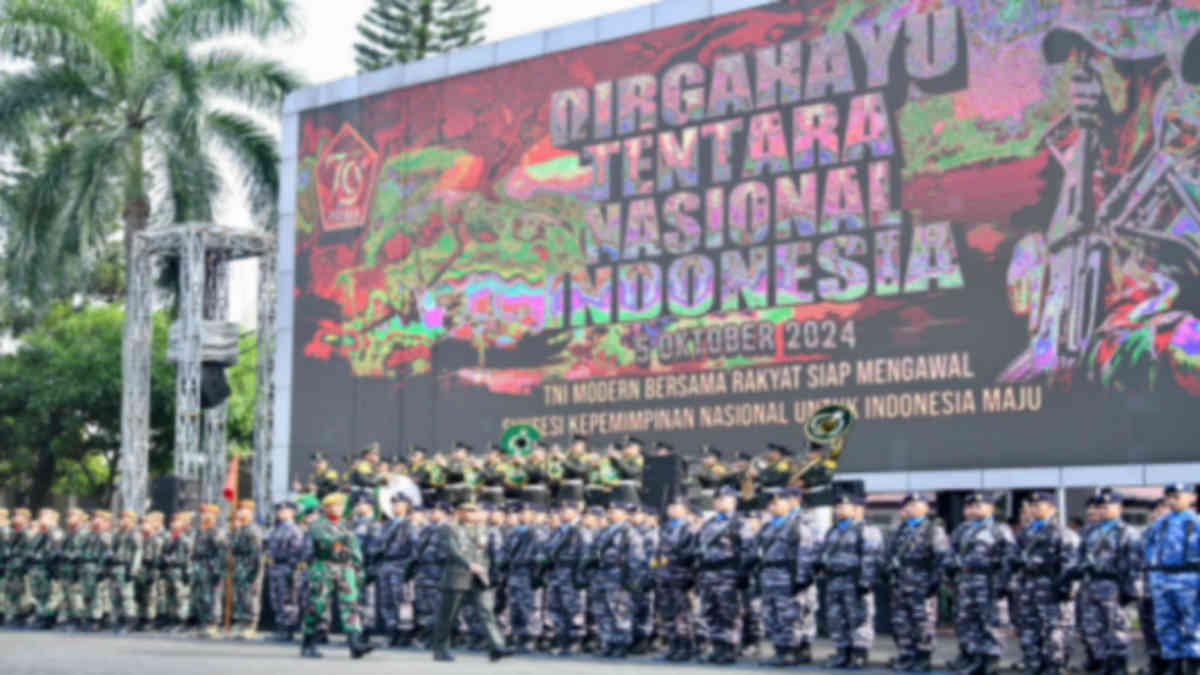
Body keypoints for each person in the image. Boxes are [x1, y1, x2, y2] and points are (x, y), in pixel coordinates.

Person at [1066, 488, 1140, 675]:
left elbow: (1134, 562)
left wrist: (1130, 588)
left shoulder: (1127, 532)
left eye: (1108, 506)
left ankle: (1118, 664)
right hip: (1090, 585)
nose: (1103, 510)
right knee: (1092, 628)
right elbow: (1078, 557)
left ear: (1119, 508)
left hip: (1113, 586)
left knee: (1115, 627)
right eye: (1100, 507)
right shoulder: (1088, 531)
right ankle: (1101, 661)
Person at [430, 500, 513, 662]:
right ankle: (440, 649)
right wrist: (468, 564)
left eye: (475, 511)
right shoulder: (448, 528)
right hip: (457, 575)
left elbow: (488, 552)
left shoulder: (483, 529)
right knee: (448, 616)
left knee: (486, 610)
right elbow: (452, 550)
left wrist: (491, 571)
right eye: (469, 511)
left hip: (479, 576)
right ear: (460, 512)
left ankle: (497, 646)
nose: (473, 514)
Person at [944, 492, 1015, 675]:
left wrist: (1004, 583)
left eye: (978, 505)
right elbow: (949, 553)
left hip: (988, 581)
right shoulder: (961, 530)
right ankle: (974, 656)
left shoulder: (999, 530)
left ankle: (991, 659)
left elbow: (1009, 558)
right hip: (965, 581)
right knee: (967, 620)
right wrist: (950, 570)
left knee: (991, 621)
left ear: (991, 508)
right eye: (968, 506)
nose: (972, 510)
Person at [299, 492, 375, 659]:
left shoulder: (346, 524)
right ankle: (308, 641)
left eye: (341, 505)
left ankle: (355, 644)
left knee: (351, 606)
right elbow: (326, 541)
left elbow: (355, 550)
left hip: (345, 568)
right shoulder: (317, 524)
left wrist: (359, 570)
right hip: (324, 566)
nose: (339, 509)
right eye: (334, 505)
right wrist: (344, 537)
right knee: (317, 606)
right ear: (326, 508)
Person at [883, 492, 949, 673]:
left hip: (922, 583)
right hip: (900, 582)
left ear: (926, 508)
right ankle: (906, 654)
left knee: (923, 622)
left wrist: (936, 581)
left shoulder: (933, 529)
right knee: (901, 622)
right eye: (908, 504)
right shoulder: (898, 530)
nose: (911, 507)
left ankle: (923, 656)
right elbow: (888, 555)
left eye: (916, 504)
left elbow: (942, 557)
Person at [1014, 492, 1079, 675]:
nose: (1034, 508)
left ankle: (1054, 665)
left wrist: (1067, 588)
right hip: (1028, 586)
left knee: (1054, 629)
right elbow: (1014, 557)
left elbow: (1071, 563)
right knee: (1028, 628)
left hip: (1051, 586)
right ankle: (1033, 664)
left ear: (1052, 508)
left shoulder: (1062, 532)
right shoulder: (1025, 532)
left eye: (1039, 505)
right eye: (1032, 505)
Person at [755, 487, 819, 666]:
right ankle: (779, 649)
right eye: (771, 503)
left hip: (786, 576)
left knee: (789, 616)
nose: (772, 506)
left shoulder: (796, 525)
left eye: (777, 503)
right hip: (769, 576)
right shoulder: (767, 526)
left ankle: (790, 651)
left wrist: (801, 578)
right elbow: (758, 552)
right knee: (770, 614)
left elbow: (804, 553)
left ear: (788, 504)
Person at [818, 493, 882, 670]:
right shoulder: (833, 530)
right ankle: (842, 652)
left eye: (843, 507)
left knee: (859, 618)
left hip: (854, 580)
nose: (839, 510)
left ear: (855, 509)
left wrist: (866, 581)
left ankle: (859, 654)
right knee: (836, 618)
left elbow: (871, 557)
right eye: (837, 507)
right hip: (834, 580)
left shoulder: (865, 529)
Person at [1143, 482, 1200, 674]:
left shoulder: (1196, 523)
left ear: (1192, 497)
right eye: (1169, 496)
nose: (1172, 500)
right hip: (1163, 581)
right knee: (1165, 624)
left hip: (1189, 581)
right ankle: (1173, 663)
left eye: (1178, 495)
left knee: (1192, 625)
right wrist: (1155, 574)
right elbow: (1148, 546)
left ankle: (1193, 664)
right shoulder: (1161, 522)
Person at [696, 485, 752, 664]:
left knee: (729, 613)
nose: (719, 502)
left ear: (734, 501)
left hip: (728, 573)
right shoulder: (710, 522)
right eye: (717, 499)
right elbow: (700, 547)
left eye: (723, 499)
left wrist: (743, 573)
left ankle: (729, 648)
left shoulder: (739, 522)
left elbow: (748, 550)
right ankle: (717, 646)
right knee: (711, 612)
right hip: (709, 573)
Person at [541, 499, 590, 655]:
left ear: (576, 512)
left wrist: (580, 576)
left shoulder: (581, 531)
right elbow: (548, 550)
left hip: (572, 573)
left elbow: (585, 554)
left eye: (567, 510)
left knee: (574, 608)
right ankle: (561, 638)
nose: (562, 513)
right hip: (556, 573)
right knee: (556, 607)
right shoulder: (557, 531)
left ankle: (575, 639)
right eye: (561, 510)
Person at [375, 493, 417, 646]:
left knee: (403, 600)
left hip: (401, 564)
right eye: (393, 504)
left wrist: (409, 567)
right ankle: (391, 631)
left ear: (406, 506)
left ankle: (405, 633)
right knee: (387, 600)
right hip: (386, 565)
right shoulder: (387, 524)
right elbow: (378, 544)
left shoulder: (410, 525)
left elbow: (415, 548)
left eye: (398, 504)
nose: (395, 507)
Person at [502, 501, 544, 652]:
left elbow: (540, 555)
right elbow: (505, 552)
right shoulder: (513, 532)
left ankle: (530, 637)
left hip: (528, 573)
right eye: (519, 513)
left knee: (529, 606)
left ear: (533, 515)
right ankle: (517, 635)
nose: (521, 515)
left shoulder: (537, 533)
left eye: (525, 513)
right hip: (514, 573)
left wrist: (537, 574)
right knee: (514, 606)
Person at [1139, 497, 1170, 675]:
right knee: (1149, 628)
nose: (1156, 513)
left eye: (1161, 509)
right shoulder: (1147, 533)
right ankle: (1155, 663)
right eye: (1155, 510)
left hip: (1169, 590)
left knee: (1169, 628)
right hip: (1148, 588)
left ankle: (1172, 664)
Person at [266, 500, 305, 642]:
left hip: (287, 567)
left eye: (284, 510)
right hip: (275, 567)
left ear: (292, 512)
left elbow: (297, 551)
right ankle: (280, 626)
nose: (280, 513)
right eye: (278, 510)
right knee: (276, 598)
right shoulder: (275, 528)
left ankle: (288, 628)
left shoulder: (294, 530)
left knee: (288, 598)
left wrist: (292, 569)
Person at [412, 502, 449, 646]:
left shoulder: (447, 530)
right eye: (431, 510)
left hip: (438, 572)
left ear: (444, 513)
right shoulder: (426, 529)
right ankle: (427, 635)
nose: (432, 513)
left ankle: (438, 637)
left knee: (437, 605)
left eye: (436, 511)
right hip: (423, 572)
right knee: (423, 605)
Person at [191, 503, 227, 639]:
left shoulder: (216, 532)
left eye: (207, 513)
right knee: (200, 596)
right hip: (199, 566)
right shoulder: (200, 531)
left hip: (211, 566)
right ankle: (203, 623)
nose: (204, 516)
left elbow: (221, 552)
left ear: (214, 516)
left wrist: (217, 570)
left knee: (212, 596)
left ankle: (212, 624)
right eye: (203, 513)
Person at [230, 499, 264, 639]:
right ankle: (242, 622)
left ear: (250, 513)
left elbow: (257, 554)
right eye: (239, 510)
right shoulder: (240, 529)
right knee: (240, 597)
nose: (239, 512)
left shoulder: (253, 530)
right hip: (240, 568)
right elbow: (233, 547)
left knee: (251, 597)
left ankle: (251, 624)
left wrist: (254, 573)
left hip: (250, 568)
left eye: (243, 510)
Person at [108, 510, 143, 634]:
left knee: (127, 595)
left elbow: (138, 552)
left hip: (126, 567)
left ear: (132, 520)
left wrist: (134, 569)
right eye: (122, 518)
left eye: (126, 518)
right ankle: (118, 620)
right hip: (116, 567)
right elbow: (112, 548)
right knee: (115, 595)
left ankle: (130, 622)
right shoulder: (118, 533)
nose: (123, 521)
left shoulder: (134, 533)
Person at [79, 510, 111, 632]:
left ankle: (97, 619)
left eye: (99, 519)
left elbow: (108, 553)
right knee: (87, 593)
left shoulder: (105, 536)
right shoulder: (88, 535)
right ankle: (88, 616)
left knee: (98, 594)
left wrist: (102, 569)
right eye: (94, 518)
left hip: (98, 567)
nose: (95, 521)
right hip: (86, 568)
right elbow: (82, 549)